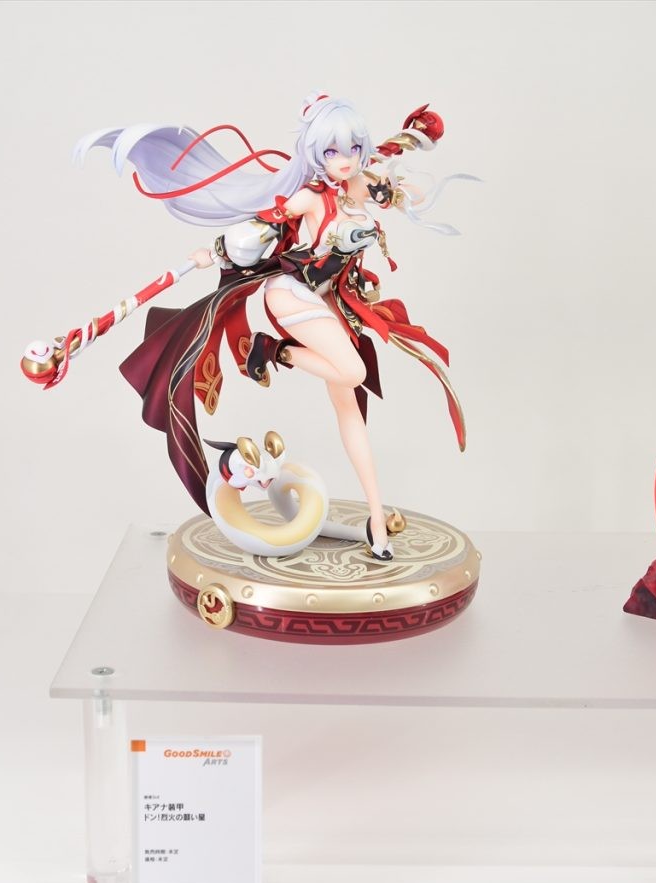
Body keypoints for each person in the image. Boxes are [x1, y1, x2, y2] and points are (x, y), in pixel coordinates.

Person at [76, 93, 468, 559]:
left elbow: (406, 194)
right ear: (314, 153)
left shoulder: (359, 184)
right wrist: (211, 254)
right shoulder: (309, 197)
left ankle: (378, 523)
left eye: (352, 148)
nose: (343, 160)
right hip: (292, 294)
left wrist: (402, 171)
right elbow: (255, 230)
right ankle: (271, 350)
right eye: (331, 151)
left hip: (334, 302)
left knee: (349, 407)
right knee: (354, 373)